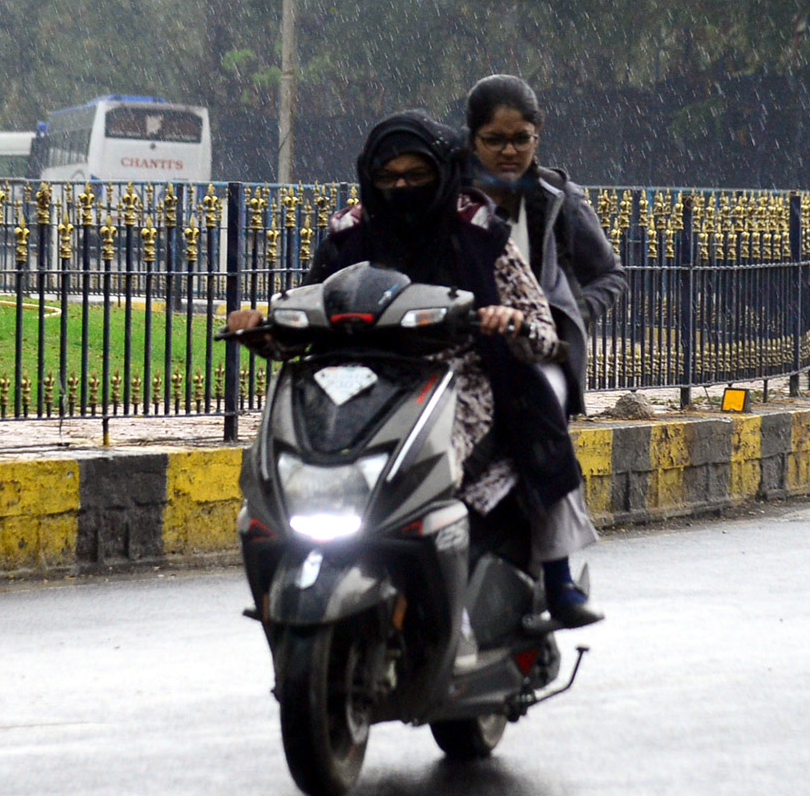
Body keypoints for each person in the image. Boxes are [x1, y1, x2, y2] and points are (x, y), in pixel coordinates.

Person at [228, 110, 601, 627]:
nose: (401, 188)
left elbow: (543, 332)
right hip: (356, 389)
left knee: (537, 431)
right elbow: (303, 327)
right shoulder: (347, 235)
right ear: (369, 177)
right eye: (388, 177)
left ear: (443, 172)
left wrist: (509, 321)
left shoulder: (482, 234)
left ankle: (557, 582)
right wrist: (260, 328)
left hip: (459, 380)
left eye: (416, 176)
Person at [464, 74, 625, 622]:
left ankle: (558, 577)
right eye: (494, 139)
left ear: (538, 136)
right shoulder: (448, 195)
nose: (509, 150)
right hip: (460, 347)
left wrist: (564, 319)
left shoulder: (557, 195)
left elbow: (609, 275)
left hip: (539, 350)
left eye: (521, 138)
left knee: (541, 421)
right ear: (472, 139)